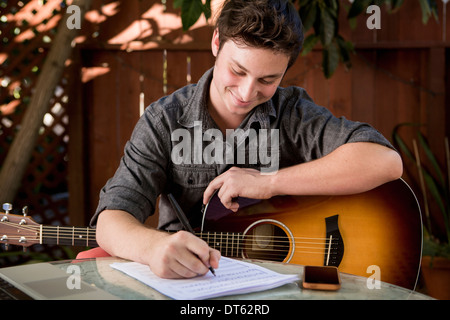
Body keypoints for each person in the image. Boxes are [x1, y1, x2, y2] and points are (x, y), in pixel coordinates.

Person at [92, 0, 403, 279]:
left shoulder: (292, 112)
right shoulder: (164, 120)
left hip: (282, 286)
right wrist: (152, 247)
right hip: (192, 284)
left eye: (267, 80)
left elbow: (385, 162)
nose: (246, 92)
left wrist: (268, 182)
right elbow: (111, 219)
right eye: (237, 70)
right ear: (216, 42)